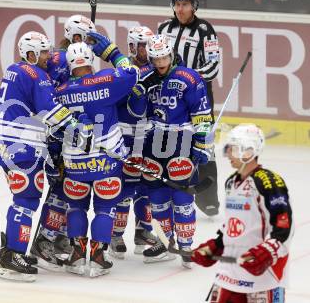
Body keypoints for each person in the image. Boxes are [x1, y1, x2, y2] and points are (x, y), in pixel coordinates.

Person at [0, 31, 93, 282]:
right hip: (24, 147)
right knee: (25, 201)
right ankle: (12, 257)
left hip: (9, 144)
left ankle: (10, 252)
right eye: (44, 52)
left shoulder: (15, 69)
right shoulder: (37, 74)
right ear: (32, 54)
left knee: (22, 199)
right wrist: (75, 130)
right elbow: (50, 110)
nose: (49, 56)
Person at [128, 34, 213, 268]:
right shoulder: (145, 77)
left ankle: (186, 246)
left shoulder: (189, 77)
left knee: (182, 195)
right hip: (152, 142)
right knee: (156, 197)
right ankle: (166, 242)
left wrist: (203, 144)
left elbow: (202, 114)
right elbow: (136, 113)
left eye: (165, 57)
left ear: (172, 54)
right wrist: (137, 93)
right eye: (156, 59)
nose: (161, 62)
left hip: (181, 141)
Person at [56, 38, 138, 277]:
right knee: (105, 208)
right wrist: (112, 52)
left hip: (74, 162)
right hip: (106, 160)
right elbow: (131, 72)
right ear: (91, 60)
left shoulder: (60, 91)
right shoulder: (107, 80)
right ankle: (99, 257)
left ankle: (78, 255)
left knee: (76, 207)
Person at [191, 124, 293, 303]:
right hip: (229, 275)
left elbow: (284, 226)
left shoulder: (268, 182)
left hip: (263, 278)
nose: (228, 152)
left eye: (233, 148)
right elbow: (232, 225)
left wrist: (265, 252)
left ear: (248, 151)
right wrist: (215, 245)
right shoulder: (231, 182)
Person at [29, 14, 97, 266]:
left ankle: (57, 235)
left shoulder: (74, 56)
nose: (89, 42)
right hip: (54, 132)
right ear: (74, 36)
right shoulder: (56, 59)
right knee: (60, 187)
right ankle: (44, 239)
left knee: (69, 188)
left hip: (68, 132)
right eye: (85, 37)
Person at [158, 0, 220, 217]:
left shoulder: (205, 30)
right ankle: (165, 193)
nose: (180, 9)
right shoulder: (163, 27)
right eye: (177, 4)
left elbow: (213, 66)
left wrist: (188, 77)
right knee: (165, 142)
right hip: (168, 98)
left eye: (184, 4)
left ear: (194, 5)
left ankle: (208, 199)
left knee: (204, 145)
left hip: (198, 99)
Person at [109, 26, 158, 259]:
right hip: (125, 134)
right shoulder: (123, 72)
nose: (148, 50)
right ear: (131, 46)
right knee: (125, 187)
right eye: (143, 45)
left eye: (150, 45)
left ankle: (143, 232)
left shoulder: (153, 68)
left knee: (146, 185)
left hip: (147, 134)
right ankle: (116, 234)